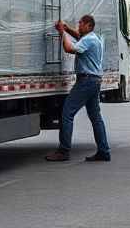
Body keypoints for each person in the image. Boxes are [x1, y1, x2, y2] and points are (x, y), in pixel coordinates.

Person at [45, 14, 111, 162]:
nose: (78, 26)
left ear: (89, 26)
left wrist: (62, 32)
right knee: (95, 117)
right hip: (94, 81)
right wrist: (67, 29)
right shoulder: (94, 38)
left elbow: (69, 48)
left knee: (67, 113)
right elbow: (78, 37)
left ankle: (64, 151)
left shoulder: (88, 40)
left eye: (81, 24)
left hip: (86, 81)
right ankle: (104, 151)